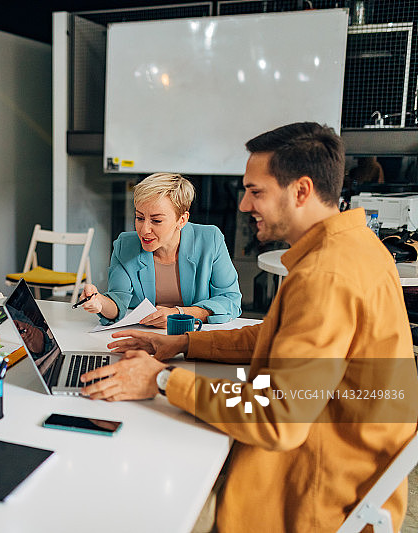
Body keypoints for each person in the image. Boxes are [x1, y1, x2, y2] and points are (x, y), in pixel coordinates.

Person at [80, 122, 418, 532]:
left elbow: (279, 416)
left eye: (256, 191)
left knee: (140, 477)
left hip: (316, 490)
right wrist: (183, 343)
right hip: (339, 451)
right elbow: (278, 337)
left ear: (301, 191)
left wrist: (165, 382)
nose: (243, 205)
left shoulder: (325, 275)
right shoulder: (355, 246)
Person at [79, 172, 241, 327]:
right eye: (140, 218)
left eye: (156, 220)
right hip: (142, 338)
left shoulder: (209, 239)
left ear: (182, 220)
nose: (144, 230)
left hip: (195, 335)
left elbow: (230, 299)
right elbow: (117, 301)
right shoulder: (125, 245)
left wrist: (181, 314)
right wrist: (99, 302)